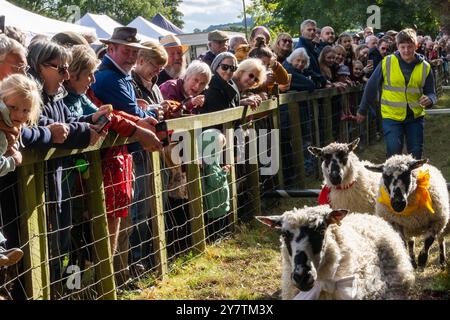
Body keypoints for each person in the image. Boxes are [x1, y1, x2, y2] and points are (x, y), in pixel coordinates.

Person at [356, 28, 436, 160]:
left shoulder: (425, 67)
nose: (406, 50)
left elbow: (431, 92)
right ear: (397, 46)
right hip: (391, 117)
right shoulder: (387, 62)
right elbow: (371, 86)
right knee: (394, 153)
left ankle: (414, 179)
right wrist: (362, 109)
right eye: (402, 47)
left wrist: (430, 100)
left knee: (415, 155)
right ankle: (392, 180)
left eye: (409, 47)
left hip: (415, 117)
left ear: (416, 46)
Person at [0, 74, 41, 269]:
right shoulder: (2, 130)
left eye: (25, 110)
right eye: (13, 108)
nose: (19, 114)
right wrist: (12, 161)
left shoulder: (9, 127)